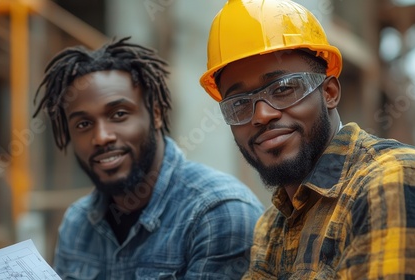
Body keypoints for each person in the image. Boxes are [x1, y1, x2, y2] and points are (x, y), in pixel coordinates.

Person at [199, 0, 415, 278]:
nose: (261, 115)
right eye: (238, 104)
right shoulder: (271, 226)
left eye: (283, 88)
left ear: (330, 92)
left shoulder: (391, 181)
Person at [33, 36, 264, 279]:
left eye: (119, 114)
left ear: (155, 114)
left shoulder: (218, 213)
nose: (101, 137)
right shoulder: (77, 224)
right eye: (83, 124)